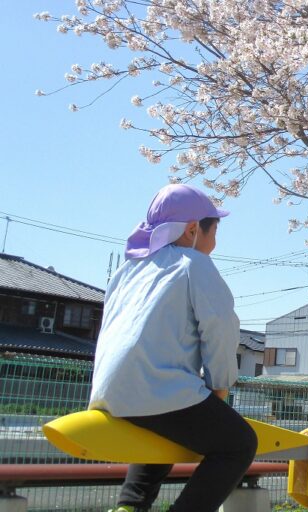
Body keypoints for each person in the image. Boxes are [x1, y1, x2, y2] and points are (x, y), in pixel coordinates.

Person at [89, 184, 257, 512]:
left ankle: (130, 506)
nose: (215, 242)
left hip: (108, 391)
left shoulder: (126, 271)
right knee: (239, 444)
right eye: (214, 231)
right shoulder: (194, 264)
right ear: (193, 230)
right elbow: (220, 328)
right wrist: (220, 385)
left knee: (168, 419)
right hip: (155, 389)